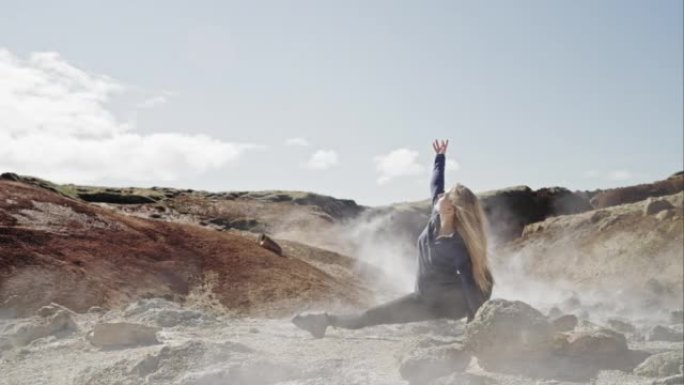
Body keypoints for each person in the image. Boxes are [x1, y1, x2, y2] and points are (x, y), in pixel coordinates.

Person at [291, 139, 494, 338]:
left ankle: (476, 327)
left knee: (374, 315)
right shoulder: (436, 216)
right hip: (422, 298)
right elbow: (436, 184)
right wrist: (439, 157)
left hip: (447, 305)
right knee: (372, 315)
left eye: (445, 195)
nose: (440, 196)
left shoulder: (456, 244)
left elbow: (470, 284)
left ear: (450, 208)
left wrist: (475, 324)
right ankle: (322, 322)